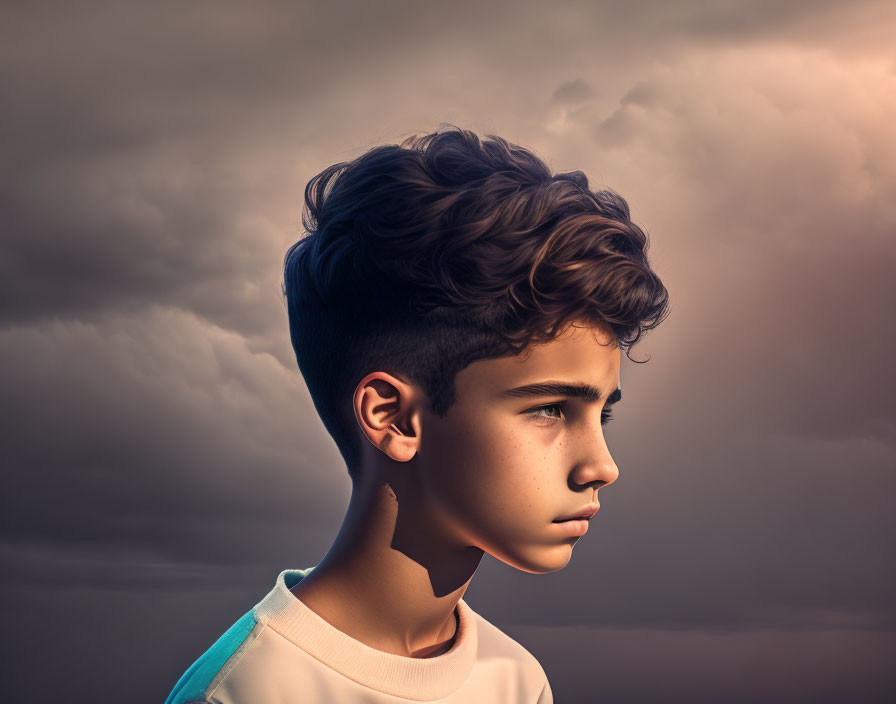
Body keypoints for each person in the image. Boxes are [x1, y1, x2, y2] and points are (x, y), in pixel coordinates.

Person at [163, 125, 669, 703]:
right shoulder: (247, 693)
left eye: (600, 415)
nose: (602, 467)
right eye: (551, 409)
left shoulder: (516, 682)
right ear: (394, 418)